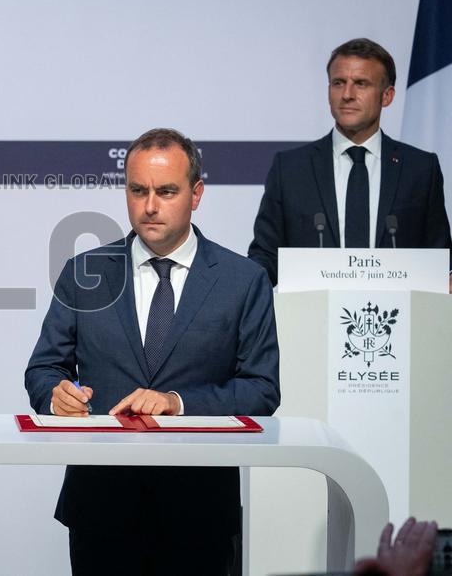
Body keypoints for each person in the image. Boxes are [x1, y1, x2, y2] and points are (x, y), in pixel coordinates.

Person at [25, 128, 280, 575]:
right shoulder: (84, 272)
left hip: (200, 511)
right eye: (137, 190)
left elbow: (261, 389)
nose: (149, 206)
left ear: (196, 194)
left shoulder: (243, 280)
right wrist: (55, 394)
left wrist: (177, 403)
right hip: (101, 506)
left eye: (166, 191)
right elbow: (44, 367)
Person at [248, 38, 452, 288]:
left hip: (398, 321)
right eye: (338, 83)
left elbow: (438, 257)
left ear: (386, 95)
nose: (347, 94)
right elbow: (266, 256)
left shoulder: (420, 168)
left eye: (361, 84)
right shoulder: (290, 168)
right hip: (311, 321)